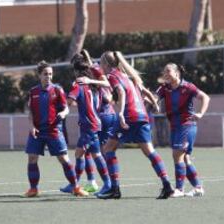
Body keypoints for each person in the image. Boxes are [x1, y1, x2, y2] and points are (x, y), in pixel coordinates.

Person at [96, 51, 174, 200]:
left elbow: (121, 92)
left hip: (129, 116)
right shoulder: (128, 76)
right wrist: (155, 105)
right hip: (142, 116)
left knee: (108, 149)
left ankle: (114, 188)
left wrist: (121, 113)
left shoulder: (113, 75)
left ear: (105, 64)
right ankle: (167, 185)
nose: (100, 66)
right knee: (150, 152)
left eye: (100, 63)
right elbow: (145, 91)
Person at [24, 61, 88, 197]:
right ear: (39, 75)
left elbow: (66, 108)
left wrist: (63, 114)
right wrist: (32, 127)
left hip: (54, 130)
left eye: (50, 74)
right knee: (32, 158)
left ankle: (75, 187)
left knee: (64, 159)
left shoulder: (57, 90)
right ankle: (33, 189)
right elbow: (30, 112)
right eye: (45, 74)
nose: (48, 76)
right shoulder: (33, 92)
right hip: (37, 131)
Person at [59, 55, 112, 196]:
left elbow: (68, 101)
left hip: (89, 125)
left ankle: (74, 184)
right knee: (96, 154)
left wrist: (60, 108)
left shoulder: (79, 84)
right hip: (95, 123)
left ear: (76, 71)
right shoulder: (93, 85)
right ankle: (107, 183)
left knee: (79, 154)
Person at [156, 63, 210, 197]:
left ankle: (179, 189)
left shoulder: (188, 87)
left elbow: (205, 97)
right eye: (164, 72)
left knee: (177, 155)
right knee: (185, 158)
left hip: (187, 125)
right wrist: (147, 99)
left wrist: (200, 113)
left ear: (177, 73)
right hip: (174, 127)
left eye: (168, 71)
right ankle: (198, 188)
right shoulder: (164, 88)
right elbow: (154, 97)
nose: (166, 74)